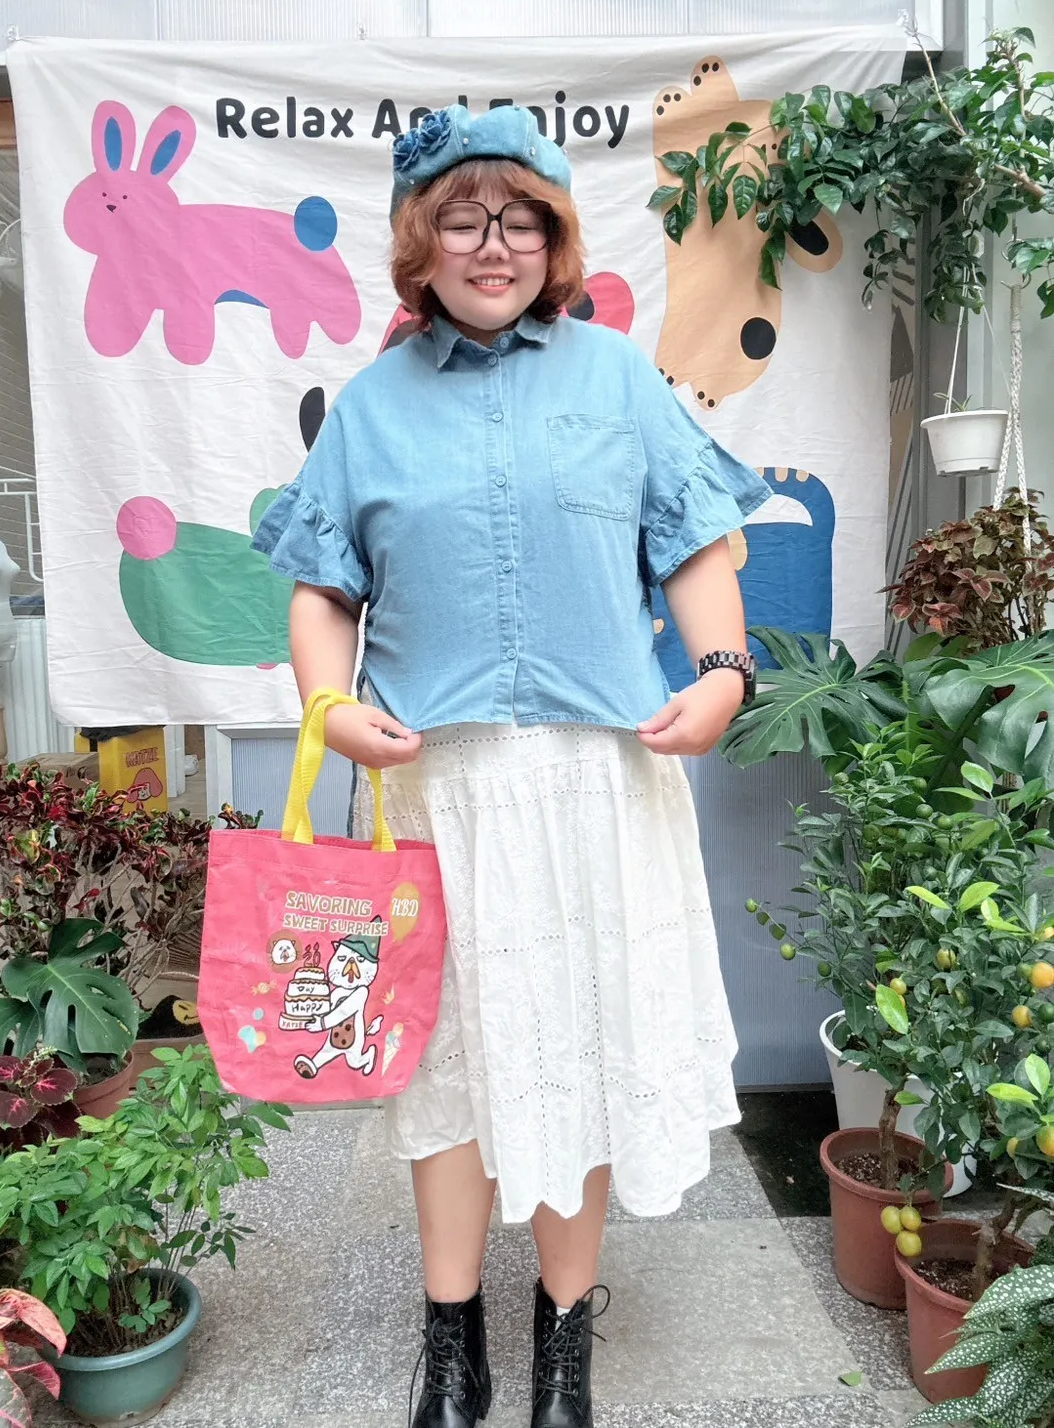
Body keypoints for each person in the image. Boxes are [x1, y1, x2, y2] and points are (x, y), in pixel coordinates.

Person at [252, 103, 771, 1428]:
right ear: (419, 244)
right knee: (450, 1071)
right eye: (464, 219)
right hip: (435, 790)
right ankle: (451, 1341)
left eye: (522, 218)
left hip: (599, 782)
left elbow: (694, 542)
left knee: (575, 1058)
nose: (494, 244)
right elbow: (322, 588)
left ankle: (563, 1340)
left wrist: (722, 674)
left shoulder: (617, 379)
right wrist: (328, 704)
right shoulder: (371, 408)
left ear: (556, 239)